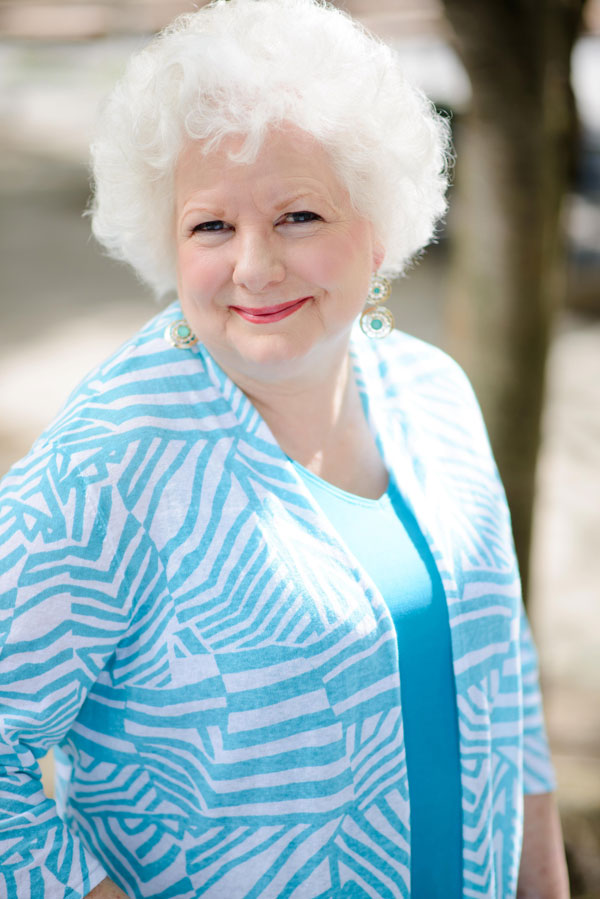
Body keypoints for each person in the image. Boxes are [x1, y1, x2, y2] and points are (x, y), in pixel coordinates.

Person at [0, 0, 569, 897]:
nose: (255, 265)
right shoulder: (109, 462)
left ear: (377, 227)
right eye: (211, 226)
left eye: (299, 215)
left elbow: (506, 682)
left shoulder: (436, 394)